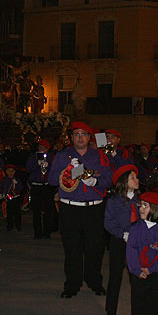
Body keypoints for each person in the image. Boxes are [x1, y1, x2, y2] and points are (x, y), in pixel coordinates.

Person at [48, 121, 113, 298]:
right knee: (72, 248)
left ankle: (94, 281)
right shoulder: (63, 156)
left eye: (83, 134)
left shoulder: (99, 156)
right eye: (76, 134)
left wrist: (96, 181)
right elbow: (52, 179)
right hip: (70, 208)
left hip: (94, 209)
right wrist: (68, 171)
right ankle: (72, 283)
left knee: (95, 248)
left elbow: (109, 179)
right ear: (71, 137)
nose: (80, 137)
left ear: (89, 137)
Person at [103, 164, 139, 315]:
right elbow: (109, 222)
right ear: (124, 181)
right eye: (133, 178)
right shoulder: (114, 201)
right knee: (115, 276)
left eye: (136, 177)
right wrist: (123, 234)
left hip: (137, 242)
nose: (137, 180)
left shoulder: (140, 200)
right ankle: (111, 310)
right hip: (119, 240)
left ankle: (138, 311)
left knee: (137, 277)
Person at [25, 139, 55, 239]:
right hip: (36, 186)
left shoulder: (51, 157)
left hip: (47, 186)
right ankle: (37, 232)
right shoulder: (33, 157)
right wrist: (36, 164)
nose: (42, 149)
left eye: (44, 148)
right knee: (36, 211)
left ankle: (47, 232)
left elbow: (55, 170)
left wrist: (49, 166)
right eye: (40, 147)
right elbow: (28, 169)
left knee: (48, 210)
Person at [0, 164, 23, 231]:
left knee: (17, 213)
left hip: (16, 197)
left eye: (12, 171)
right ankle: (9, 226)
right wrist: (0, 193)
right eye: (9, 171)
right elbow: (1, 187)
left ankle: (18, 225)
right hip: (8, 198)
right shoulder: (4, 179)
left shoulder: (17, 179)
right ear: (6, 171)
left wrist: (16, 184)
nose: (10, 172)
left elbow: (20, 188)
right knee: (9, 213)